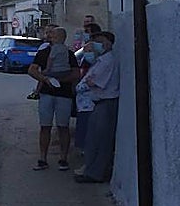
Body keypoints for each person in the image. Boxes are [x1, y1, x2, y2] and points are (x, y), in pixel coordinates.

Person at [28, 27, 79, 171]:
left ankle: (63, 158)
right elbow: (32, 70)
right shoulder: (43, 53)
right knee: (45, 126)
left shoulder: (69, 54)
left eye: (53, 34)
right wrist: (45, 79)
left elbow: (76, 74)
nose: (50, 35)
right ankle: (42, 158)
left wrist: (60, 80)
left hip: (64, 94)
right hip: (47, 93)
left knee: (63, 127)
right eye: (50, 33)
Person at [76, 32, 120, 184]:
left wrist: (87, 82)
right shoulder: (101, 60)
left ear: (108, 43)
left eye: (100, 42)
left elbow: (93, 82)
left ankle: (96, 173)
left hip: (106, 103)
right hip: (99, 103)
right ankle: (91, 170)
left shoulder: (108, 61)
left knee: (101, 141)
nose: (96, 45)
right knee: (93, 139)